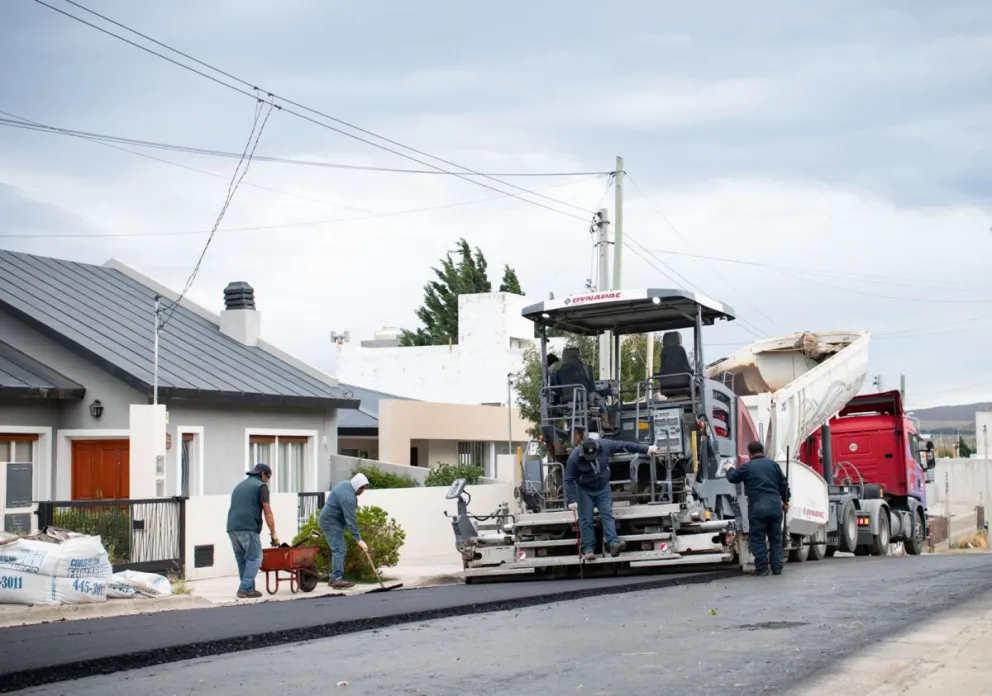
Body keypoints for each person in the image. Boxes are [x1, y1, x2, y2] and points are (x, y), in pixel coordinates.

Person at [565, 438, 660, 561]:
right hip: (584, 489)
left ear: (598, 450)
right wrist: (571, 500)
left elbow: (625, 444)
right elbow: (568, 480)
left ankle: (613, 543)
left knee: (607, 515)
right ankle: (588, 549)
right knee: (585, 519)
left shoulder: (605, 445)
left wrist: (646, 449)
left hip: (603, 487)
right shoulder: (574, 457)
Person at [722, 441, 791, 576]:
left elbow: (733, 477)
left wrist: (729, 468)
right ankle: (777, 567)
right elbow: (784, 485)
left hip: (757, 508)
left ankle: (762, 568)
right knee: (776, 538)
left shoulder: (748, 467)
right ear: (762, 451)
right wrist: (786, 501)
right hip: (775, 507)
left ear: (750, 453)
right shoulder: (774, 465)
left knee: (758, 538)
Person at [226, 463, 279, 599]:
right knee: (255, 557)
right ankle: (244, 589)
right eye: (268, 477)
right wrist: (273, 533)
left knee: (242, 559)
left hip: (232, 527)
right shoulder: (261, 486)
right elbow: (267, 511)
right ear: (262, 474)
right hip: (248, 527)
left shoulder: (239, 486)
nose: (267, 480)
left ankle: (249, 589)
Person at [319, 472, 370, 589]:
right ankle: (336, 578)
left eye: (364, 488)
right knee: (339, 548)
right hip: (330, 522)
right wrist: (359, 540)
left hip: (331, 521)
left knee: (340, 548)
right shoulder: (349, 497)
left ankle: (333, 578)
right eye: (361, 488)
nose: (362, 491)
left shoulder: (345, 485)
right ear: (357, 485)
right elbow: (351, 519)